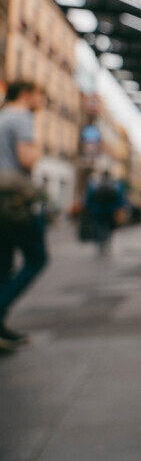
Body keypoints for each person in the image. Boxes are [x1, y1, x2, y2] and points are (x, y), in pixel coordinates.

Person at [0, 81, 46, 350]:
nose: (41, 102)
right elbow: (27, 158)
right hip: (12, 200)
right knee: (37, 257)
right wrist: (37, 148)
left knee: (3, 262)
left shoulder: (2, 115)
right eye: (40, 96)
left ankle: (1, 330)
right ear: (27, 95)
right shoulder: (21, 117)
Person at [85, 170, 125, 257]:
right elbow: (120, 199)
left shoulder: (95, 184)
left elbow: (89, 198)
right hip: (111, 211)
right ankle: (107, 242)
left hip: (97, 210)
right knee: (110, 228)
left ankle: (100, 244)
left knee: (98, 226)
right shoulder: (115, 185)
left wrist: (90, 207)